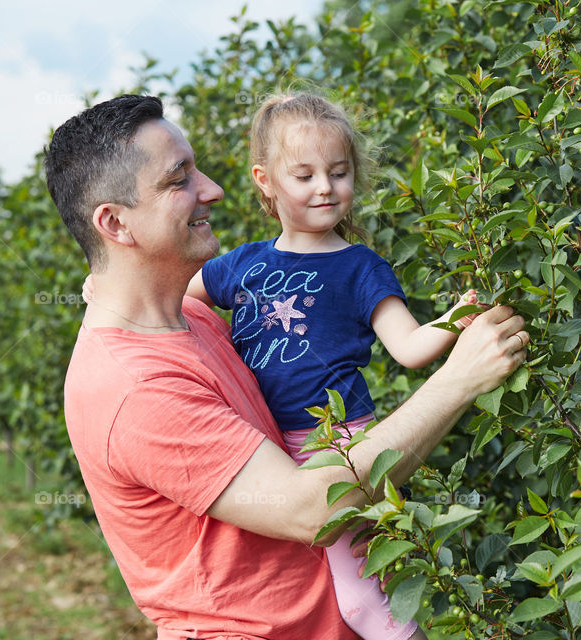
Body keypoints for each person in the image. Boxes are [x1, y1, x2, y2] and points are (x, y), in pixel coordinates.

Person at [44, 93, 528, 640]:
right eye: (179, 180)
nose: (213, 189)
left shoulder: (193, 317)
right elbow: (312, 511)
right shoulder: (134, 390)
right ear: (115, 222)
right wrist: (460, 379)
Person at [169, 92, 473, 640]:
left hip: (339, 446)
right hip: (265, 448)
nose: (325, 187)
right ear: (266, 180)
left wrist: (457, 318)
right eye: (304, 175)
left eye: (338, 172)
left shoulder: (360, 267)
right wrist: (105, 292)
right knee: (311, 584)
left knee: (360, 602)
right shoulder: (243, 263)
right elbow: (174, 301)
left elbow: (408, 346)